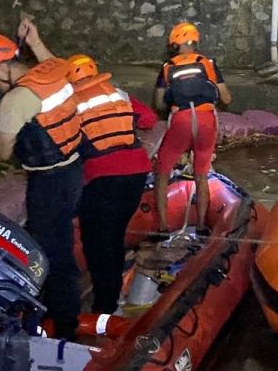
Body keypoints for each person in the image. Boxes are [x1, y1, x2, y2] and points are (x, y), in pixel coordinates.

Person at [0, 20, 84, 336]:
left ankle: (62, 323)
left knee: (52, 251)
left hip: (48, 183)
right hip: (74, 170)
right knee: (48, 241)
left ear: (3, 69)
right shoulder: (54, 71)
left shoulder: (14, 101)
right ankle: (53, 306)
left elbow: (4, 152)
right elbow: (48, 60)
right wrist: (35, 40)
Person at [66, 52, 158, 314]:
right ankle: (112, 296)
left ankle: (104, 306)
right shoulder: (118, 93)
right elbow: (149, 119)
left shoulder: (70, 103)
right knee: (114, 236)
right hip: (136, 173)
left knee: (97, 243)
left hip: (102, 176)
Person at [152, 22, 231, 235]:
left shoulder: (168, 67)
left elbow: (159, 103)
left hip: (182, 120)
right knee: (201, 173)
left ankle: (162, 226)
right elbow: (226, 98)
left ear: (174, 44)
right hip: (206, 120)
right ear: (195, 41)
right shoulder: (208, 64)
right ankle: (203, 225)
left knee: (162, 171)